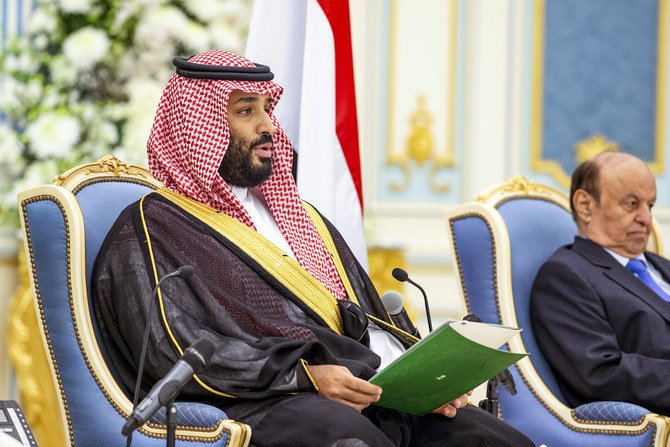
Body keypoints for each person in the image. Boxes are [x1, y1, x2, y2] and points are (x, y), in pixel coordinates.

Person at [92, 50, 533, 446]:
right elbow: (175, 348)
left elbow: (364, 317)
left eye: (267, 109)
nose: (268, 126)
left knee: (483, 435)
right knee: (346, 438)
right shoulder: (154, 227)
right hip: (260, 403)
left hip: (366, 389)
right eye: (247, 111)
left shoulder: (300, 216)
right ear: (195, 129)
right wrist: (304, 376)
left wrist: (424, 382)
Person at [531, 151, 670, 415]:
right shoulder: (565, 276)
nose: (646, 219)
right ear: (585, 205)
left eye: (649, 205)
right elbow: (600, 373)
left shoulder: (661, 266)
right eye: (631, 204)